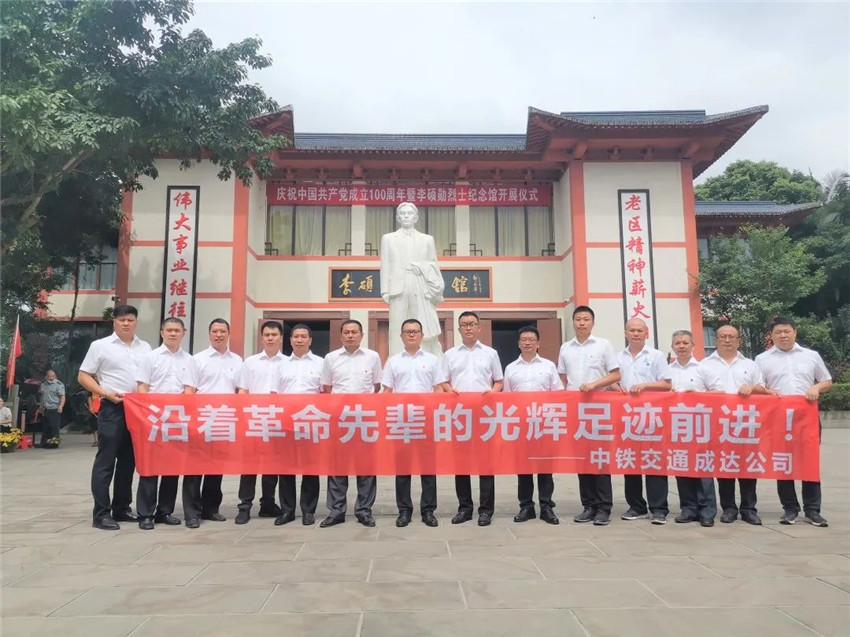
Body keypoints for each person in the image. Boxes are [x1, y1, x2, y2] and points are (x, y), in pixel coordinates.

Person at [79, 305, 152, 530]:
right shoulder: (100, 346)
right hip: (112, 407)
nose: (126, 323)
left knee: (128, 461)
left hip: (137, 409)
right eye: (121, 320)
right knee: (106, 460)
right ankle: (101, 514)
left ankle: (121, 508)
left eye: (130, 319)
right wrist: (104, 393)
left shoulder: (145, 347)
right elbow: (83, 376)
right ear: (114, 322)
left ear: (136, 322)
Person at [756, 316, 833, 527]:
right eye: (778, 332)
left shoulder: (811, 356)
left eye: (787, 331)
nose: (783, 335)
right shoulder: (762, 359)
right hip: (778, 417)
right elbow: (759, 386)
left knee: (809, 460)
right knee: (783, 462)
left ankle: (813, 510)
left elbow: (826, 380)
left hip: (806, 416)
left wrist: (816, 387)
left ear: (795, 332)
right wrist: (767, 392)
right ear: (771, 336)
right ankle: (790, 509)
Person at [699, 324, 770, 526]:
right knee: (724, 467)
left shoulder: (750, 364)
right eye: (723, 337)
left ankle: (749, 509)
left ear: (739, 340)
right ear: (716, 340)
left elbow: (763, 389)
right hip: (718, 425)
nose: (727, 340)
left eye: (731, 336)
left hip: (746, 424)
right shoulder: (705, 365)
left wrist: (752, 388)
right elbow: (698, 394)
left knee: (747, 466)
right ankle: (728, 508)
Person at [557, 305, 620, 526]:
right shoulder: (565, 348)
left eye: (586, 319)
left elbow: (615, 375)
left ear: (593, 323)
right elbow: (562, 378)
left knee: (599, 458)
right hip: (576, 410)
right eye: (578, 319)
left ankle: (603, 507)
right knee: (582, 459)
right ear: (573, 322)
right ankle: (588, 506)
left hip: (599, 409)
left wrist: (594, 384)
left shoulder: (603, 345)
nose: (582, 323)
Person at [135, 317, 198, 530]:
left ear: (183, 333)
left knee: (172, 468)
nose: (173, 334)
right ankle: (145, 514)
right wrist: (148, 413)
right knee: (150, 468)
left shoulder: (190, 360)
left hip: (176, 421)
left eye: (177, 330)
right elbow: (142, 387)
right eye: (169, 330)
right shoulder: (150, 358)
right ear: (162, 332)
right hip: (153, 420)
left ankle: (165, 511)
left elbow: (190, 390)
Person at [382, 318, 446, 528]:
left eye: (415, 331)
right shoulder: (393, 361)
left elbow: (438, 388)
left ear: (421, 336)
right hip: (401, 421)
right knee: (403, 469)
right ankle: (404, 510)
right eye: (407, 331)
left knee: (428, 468)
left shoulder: (431, 360)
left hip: (425, 420)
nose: (411, 334)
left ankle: (428, 511)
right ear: (401, 336)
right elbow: (387, 391)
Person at [443, 311, 503, 526]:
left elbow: (499, 382)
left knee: (486, 464)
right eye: (464, 324)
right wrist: (449, 390)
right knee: (462, 464)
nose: (468, 328)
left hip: (484, 416)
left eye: (471, 324)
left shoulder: (490, 353)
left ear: (479, 327)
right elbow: (444, 382)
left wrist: (492, 393)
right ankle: (465, 508)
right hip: (459, 416)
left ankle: (486, 510)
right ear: (459, 329)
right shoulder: (450, 354)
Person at [320, 319, 383, 528]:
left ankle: (364, 511)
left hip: (364, 420)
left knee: (366, 467)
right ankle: (336, 510)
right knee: (337, 466)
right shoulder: (330, 358)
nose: (350, 335)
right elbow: (327, 387)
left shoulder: (372, 357)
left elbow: (376, 385)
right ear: (341, 336)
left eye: (354, 332)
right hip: (339, 420)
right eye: (346, 332)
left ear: (361, 335)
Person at [183, 318, 242, 528]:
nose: (219, 335)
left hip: (224, 420)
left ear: (228, 333)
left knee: (216, 467)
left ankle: (210, 508)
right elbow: (189, 390)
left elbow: (240, 391)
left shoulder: (237, 360)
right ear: (209, 334)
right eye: (215, 331)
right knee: (194, 468)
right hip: (201, 419)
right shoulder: (197, 359)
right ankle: (192, 513)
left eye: (222, 331)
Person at [614, 319, 673, 524]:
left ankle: (659, 509)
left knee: (654, 461)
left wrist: (645, 386)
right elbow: (612, 381)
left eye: (640, 330)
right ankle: (636, 506)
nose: (636, 334)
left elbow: (666, 384)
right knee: (630, 462)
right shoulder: (618, 357)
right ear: (626, 333)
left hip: (652, 417)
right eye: (632, 330)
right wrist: (616, 388)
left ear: (646, 333)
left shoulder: (656, 355)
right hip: (627, 418)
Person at [504, 325, 563, 525]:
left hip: (545, 425)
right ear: (519, 344)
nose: (527, 343)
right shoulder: (511, 368)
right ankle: (526, 507)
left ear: (538, 344)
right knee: (524, 468)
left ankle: (546, 506)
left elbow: (558, 394)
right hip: (522, 426)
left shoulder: (548, 366)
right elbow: (507, 399)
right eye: (524, 340)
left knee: (545, 468)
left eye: (531, 340)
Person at [234, 321, 287, 525]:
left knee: (272, 465)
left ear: (281, 338)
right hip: (254, 420)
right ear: (262, 338)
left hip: (278, 420)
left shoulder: (288, 362)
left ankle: (268, 503)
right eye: (267, 335)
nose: (270, 338)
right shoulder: (250, 362)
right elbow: (243, 390)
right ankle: (245, 506)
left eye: (274, 334)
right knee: (249, 465)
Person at [380, 202, 445, 357]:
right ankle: (396, 357)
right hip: (397, 286)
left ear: (416, 217)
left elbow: (433, 263)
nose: (406, 216)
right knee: (397, 324)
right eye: (403, 214)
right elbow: (385, 264)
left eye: (409, 213)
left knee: (421, 320)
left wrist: (421, 267)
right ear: (397, 218)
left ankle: (424, 355)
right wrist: (385, 290)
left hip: (419, 282)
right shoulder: (388, 238)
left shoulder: (427, 239)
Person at [667, 329, 717, 527]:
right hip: (677, 428)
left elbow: (719, 393)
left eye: (685, 343)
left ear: (693, 345)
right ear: (672, 347)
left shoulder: (703, 368)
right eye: (678, 343)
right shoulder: (667, 370)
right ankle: (688, 509)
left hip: (700, 426)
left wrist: (697, 394)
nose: (681, 346)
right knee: (682, 467)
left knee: (703, 468)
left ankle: (707, 511)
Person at [276, 323, 323, 526]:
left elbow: (325, 393)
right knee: (286, 469)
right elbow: (275, 394)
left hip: (311, 422)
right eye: (296, 336)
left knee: (310, 468)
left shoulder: (321, 363)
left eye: (304, 336)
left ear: (310, 340)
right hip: (286, 423)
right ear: (290, 340)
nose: (299, 340)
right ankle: (287, 510)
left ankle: (308, 510)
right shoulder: (281, 364)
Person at [38, 369, 65, 447]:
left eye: (53, 376)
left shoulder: (59, 384)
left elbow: (62, 397)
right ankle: (44, 443)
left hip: (54, 408)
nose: (51, 378)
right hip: (45, 408)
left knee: (54, 427)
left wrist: (61, 406)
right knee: (46, 427)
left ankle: (54, 443)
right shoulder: (43, 384)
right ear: (46, 377)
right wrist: (40, 406)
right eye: (50, 376)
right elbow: (42, 396)